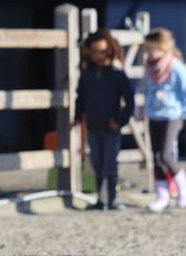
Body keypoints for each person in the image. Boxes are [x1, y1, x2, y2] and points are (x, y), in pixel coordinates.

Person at [73, 29, 134, 210]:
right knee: (97, 163)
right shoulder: (87, 75)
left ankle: (111, 199)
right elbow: (80, 97)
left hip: (111, 127)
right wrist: (77, 116)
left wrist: (120, 120)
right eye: (95, 52)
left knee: (110, 163)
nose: (99, 56)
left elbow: (129, 101)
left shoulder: (117, 75)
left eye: (102, 51)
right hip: (93, 125)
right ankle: (100, 199)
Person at [141, 27, 186, 211]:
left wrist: (183, 113)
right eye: (148, 48)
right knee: (156, 157)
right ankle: (162, 195)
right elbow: (145, 89)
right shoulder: (149, 68)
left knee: (166, 155)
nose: (150, 52)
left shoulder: (176, 66)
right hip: (154, 115)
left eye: (153, 48)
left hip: (172, 115)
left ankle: (183, 188)